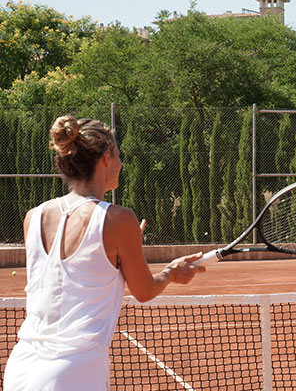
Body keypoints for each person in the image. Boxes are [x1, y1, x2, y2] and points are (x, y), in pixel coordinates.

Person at [3, 116, 205, 391]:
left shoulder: (33, 216)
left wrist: (127, 243)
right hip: (73, 373)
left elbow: (77, 271)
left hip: (20, 368)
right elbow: (144, 290)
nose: (122, 163)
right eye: (119, 155)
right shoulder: (120, 219)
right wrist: (170, 272)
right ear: (107, 157)